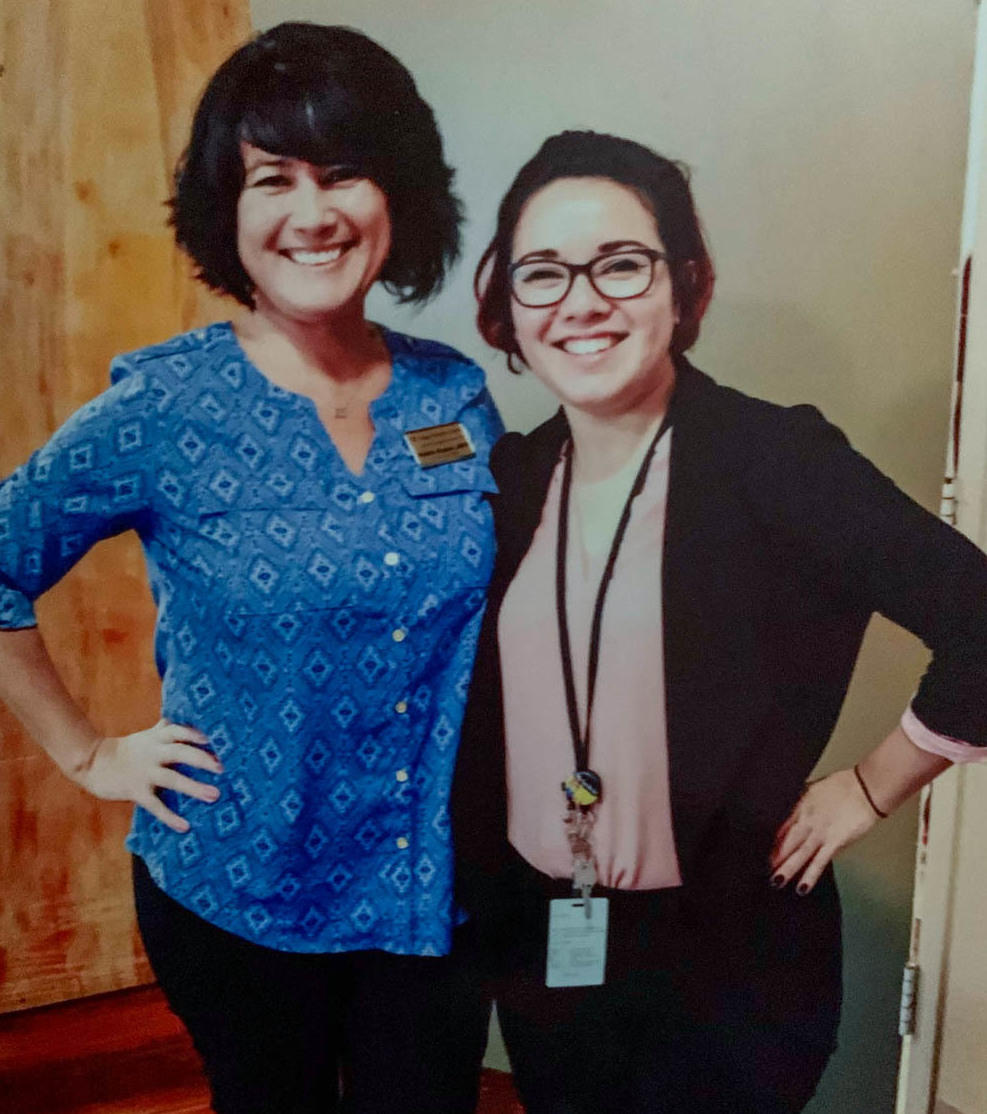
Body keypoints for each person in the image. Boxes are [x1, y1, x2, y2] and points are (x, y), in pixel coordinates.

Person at [0, 23, 502, 1114]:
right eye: (273, 177)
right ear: (229, 212)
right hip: (243, 890)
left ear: (398, 195)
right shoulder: (165, 408)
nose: (311, 211)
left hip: (434, 892)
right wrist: (87, 756)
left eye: (345, 171)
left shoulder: (454, 395)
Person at [452, 130, 987, 1114]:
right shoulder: (515, 477)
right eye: (543, 272)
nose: (581, 299)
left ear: (684, 282)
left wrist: (872, 786)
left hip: (728, 970)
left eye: (620, 262)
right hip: (548, 944)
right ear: (509, 305)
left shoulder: (774, 459)